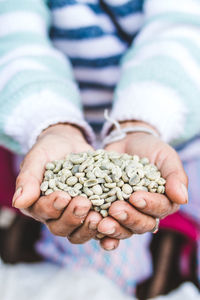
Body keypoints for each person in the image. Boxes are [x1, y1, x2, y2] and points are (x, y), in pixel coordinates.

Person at [0, 0, 199, 296]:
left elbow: (182, 32)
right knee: (96, 263)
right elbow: (12, 40)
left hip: (170, 123)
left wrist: (141, 121)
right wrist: (50, 123)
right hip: (52, 132)